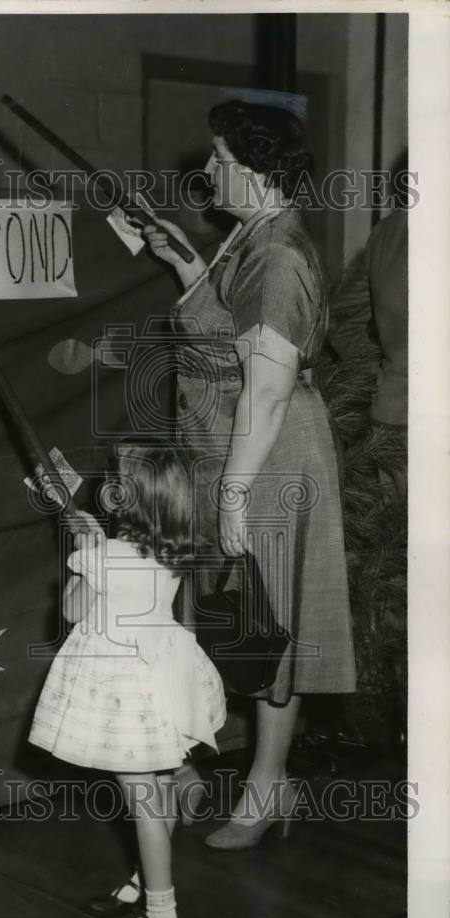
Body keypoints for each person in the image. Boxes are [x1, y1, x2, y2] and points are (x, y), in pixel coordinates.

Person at [143, 99, 356, 849]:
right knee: (232, 625)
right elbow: (231, 322)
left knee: (270, 627)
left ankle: (267, 785)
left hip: (264, 457)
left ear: (258, 169)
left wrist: (234, 491)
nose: (208, 172)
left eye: (220, 159)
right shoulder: (252, 235)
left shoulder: (279, 252)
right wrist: (187, 263)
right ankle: (221, 774)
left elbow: (265, 391)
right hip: (228, 446)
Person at [28, 443, 226, 918]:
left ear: (129, 499)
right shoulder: (173, 547)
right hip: (164, 675)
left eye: (117, 481)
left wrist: (84, 560)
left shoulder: (108, 558)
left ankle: (163, 913)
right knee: (156, 793)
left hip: (123, 688)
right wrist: (96, 547)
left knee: (143, 803)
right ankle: (143, 885)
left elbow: (73, 612)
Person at [328, 205, 408, 502]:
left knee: (403, 539)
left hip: (394, 418)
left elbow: (340, 317)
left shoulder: (390, 230)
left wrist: (384, 374)